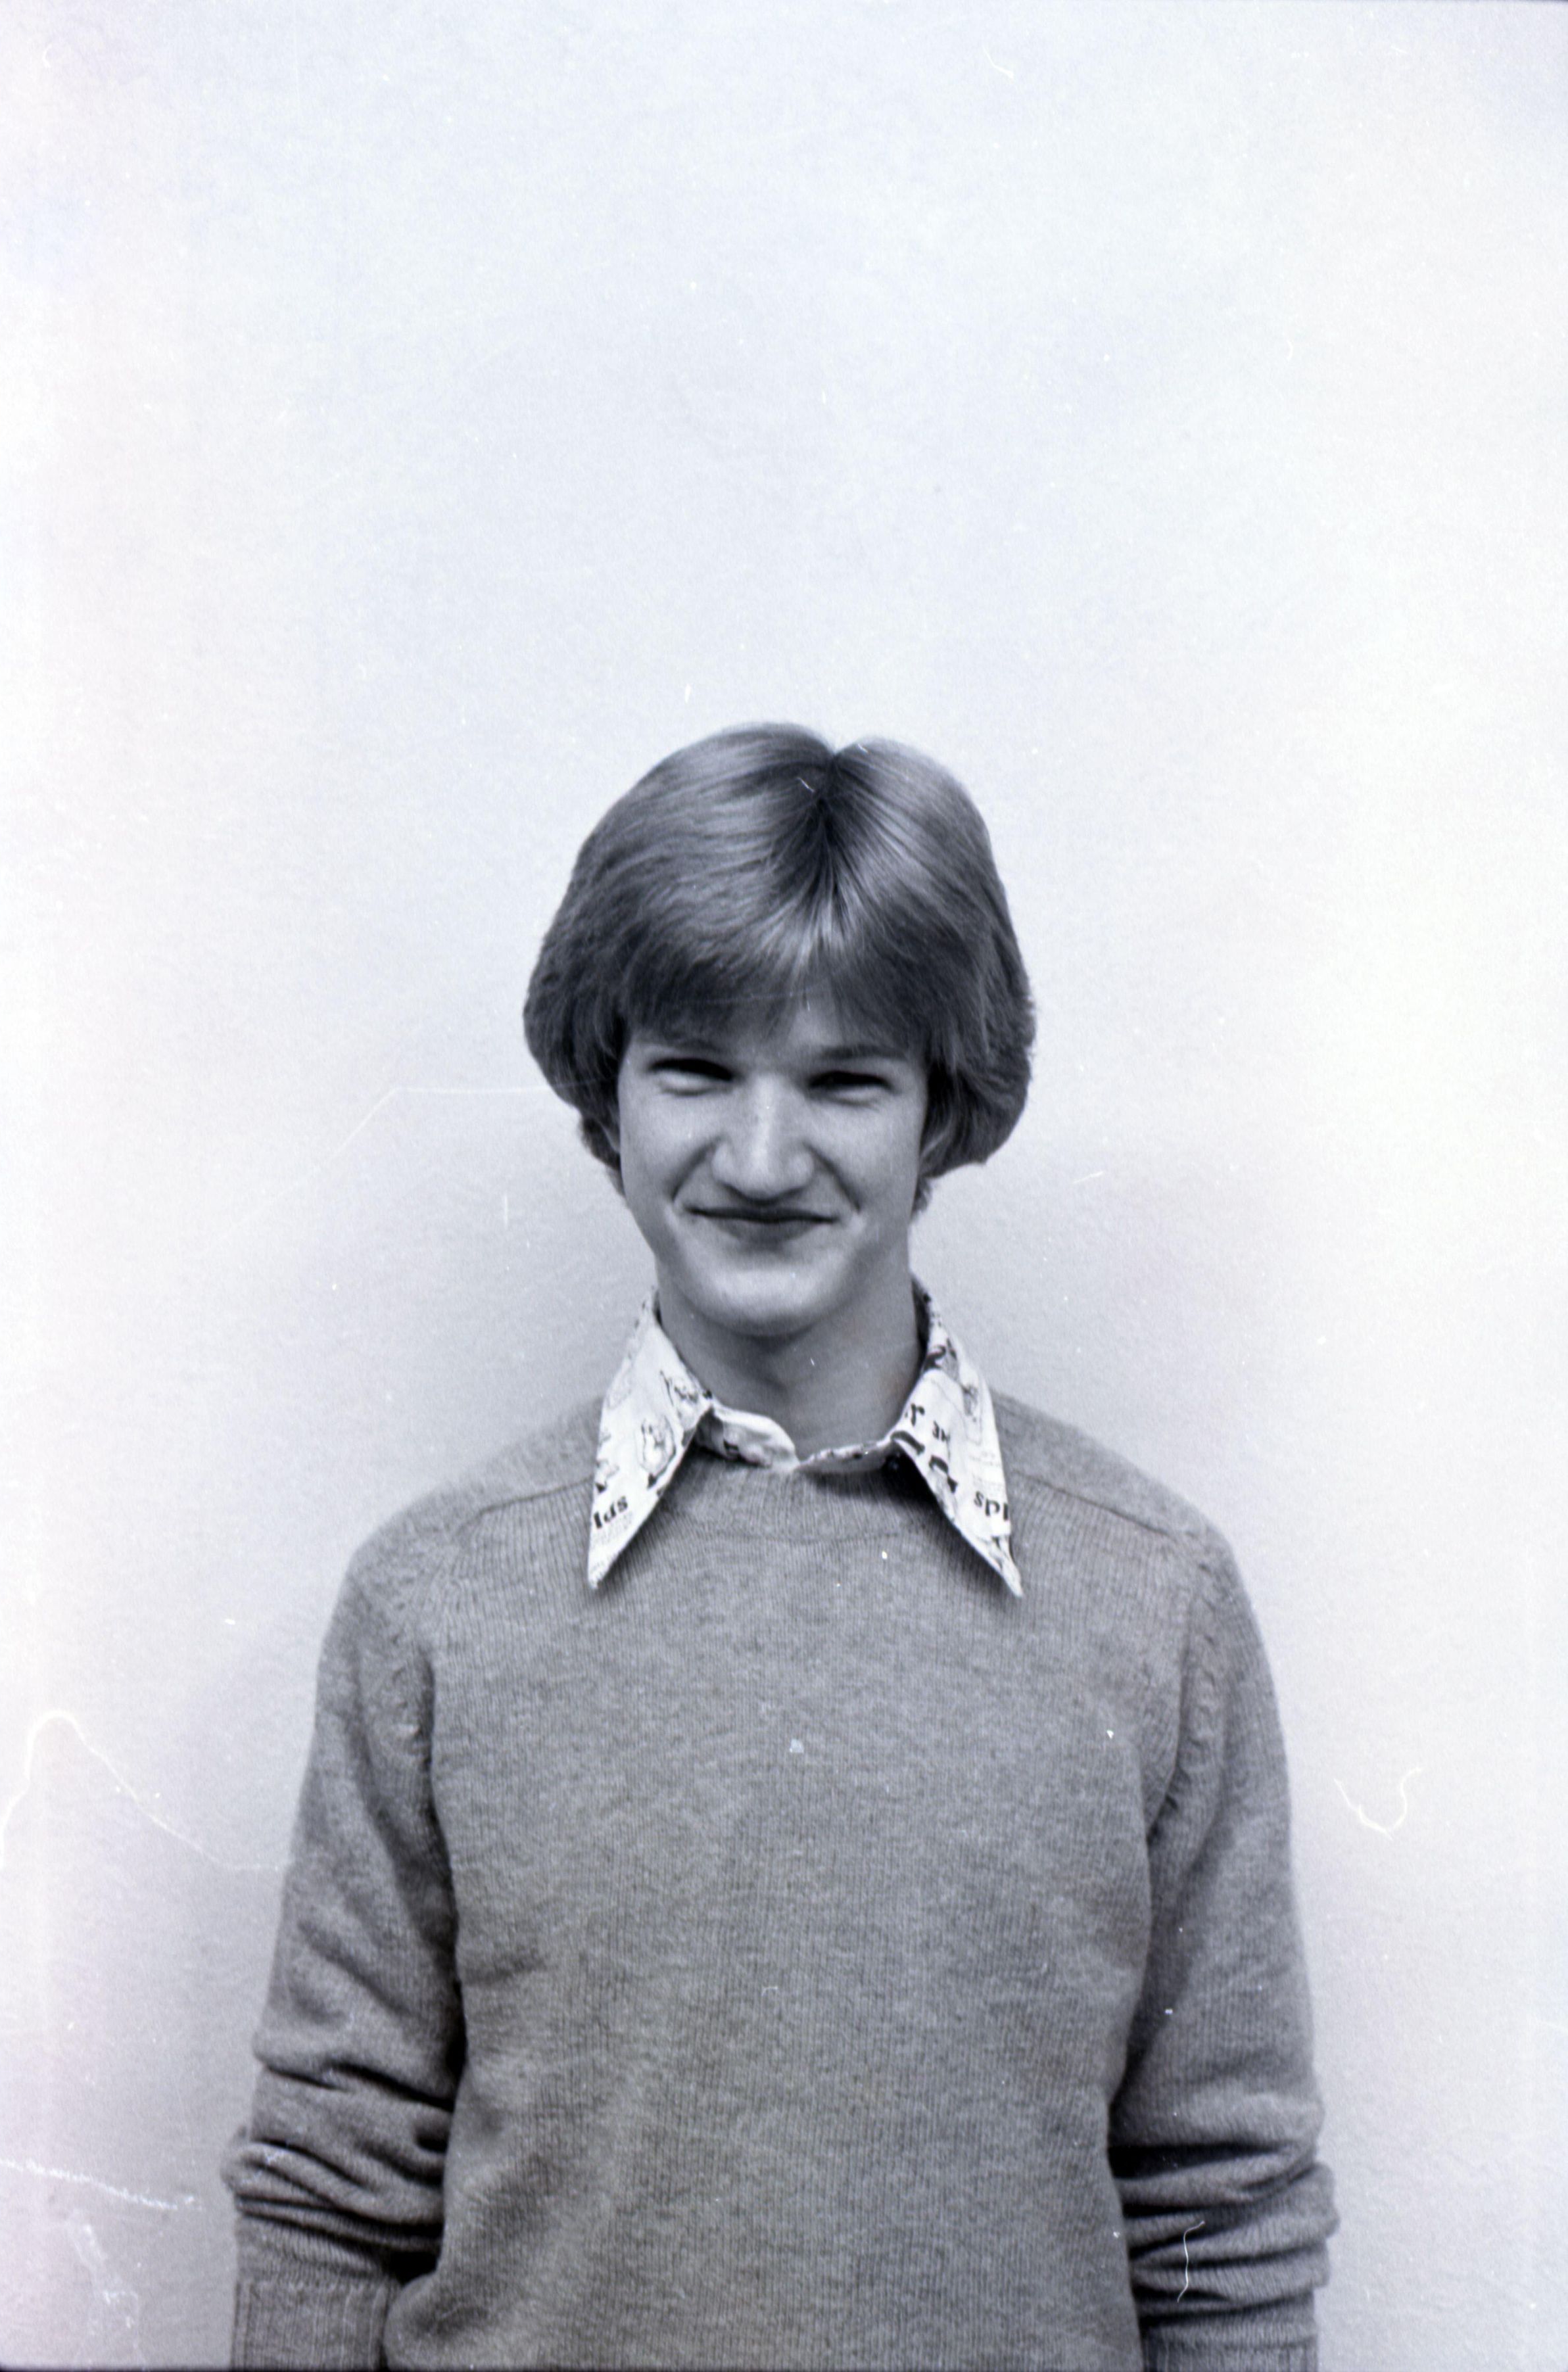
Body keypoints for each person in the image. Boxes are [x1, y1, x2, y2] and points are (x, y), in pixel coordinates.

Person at [224, 726, 1335, 2371]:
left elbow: (1223, 2215)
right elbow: (330, 2193)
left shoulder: (1156, 1599)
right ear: (607, 1094)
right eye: (695, 1069)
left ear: (941, 1111)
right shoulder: (432, 1600)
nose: (758, 1157)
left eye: (843, 1080)